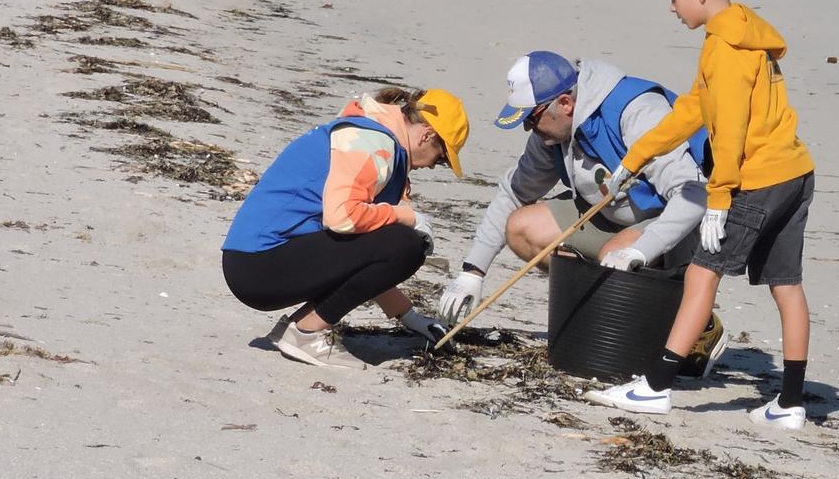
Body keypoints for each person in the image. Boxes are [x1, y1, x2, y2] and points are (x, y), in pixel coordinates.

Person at [587, 0, 816, 429]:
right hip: (794, 172)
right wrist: (635, 158)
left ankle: (654, 387)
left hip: (756, 179)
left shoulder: (725, 48)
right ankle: (791, 403)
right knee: (786, 284)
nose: (672, 8)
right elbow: (693, 109)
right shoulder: (742, 32)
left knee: (701, 273)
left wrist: (718, 200)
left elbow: (729, 128)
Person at [436, 51, 727, 370]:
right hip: (610, 216)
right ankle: (612, 305)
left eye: (532, 119)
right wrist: (472, 272)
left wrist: (641, 250)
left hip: (678, 225)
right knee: (522, 227)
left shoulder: (636, 112)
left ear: (565, 103)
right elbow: (514, 192)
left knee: (616, 258)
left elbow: (693, 196)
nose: (529, 130)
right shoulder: (553, 133)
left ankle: (697, 322)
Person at [222, 87, 469, 371]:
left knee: (395, 239)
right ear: (427, 135)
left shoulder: (375, 135)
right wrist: (406, 216)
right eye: (442, 157)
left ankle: (296, 328)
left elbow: (365, 256)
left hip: (254, 261)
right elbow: (342, 219)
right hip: (257, 265)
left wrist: (410, 318)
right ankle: (305, 334)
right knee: (406, 244)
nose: (435, 166)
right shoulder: (372, 141)